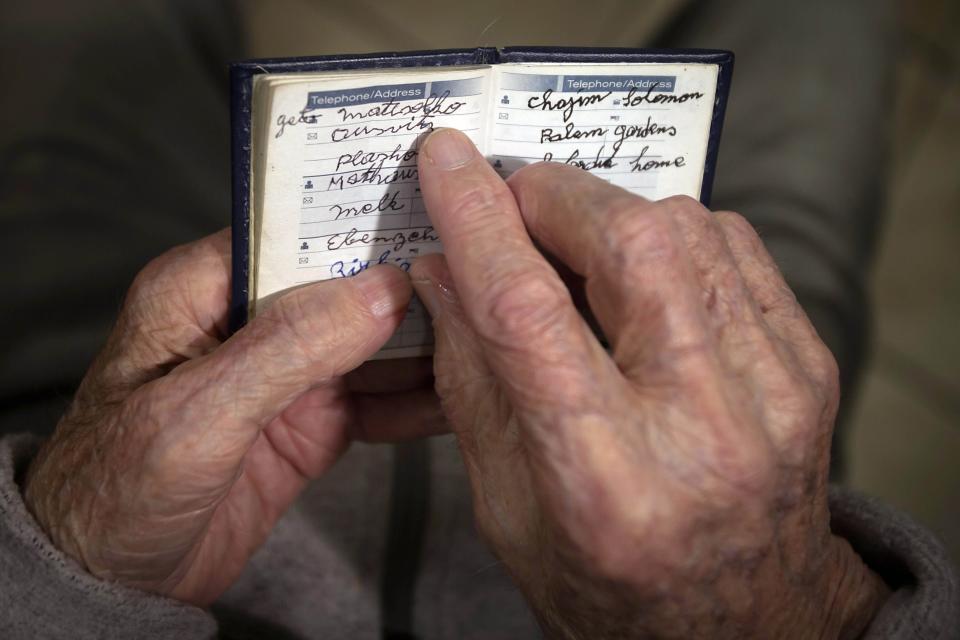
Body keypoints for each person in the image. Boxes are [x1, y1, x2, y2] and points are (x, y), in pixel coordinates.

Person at [1, 2, 957, 639]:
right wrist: (780, 602)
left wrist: (63, 561)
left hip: (100, 399)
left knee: (109, 51)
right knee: (797, 150)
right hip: (717, 465)